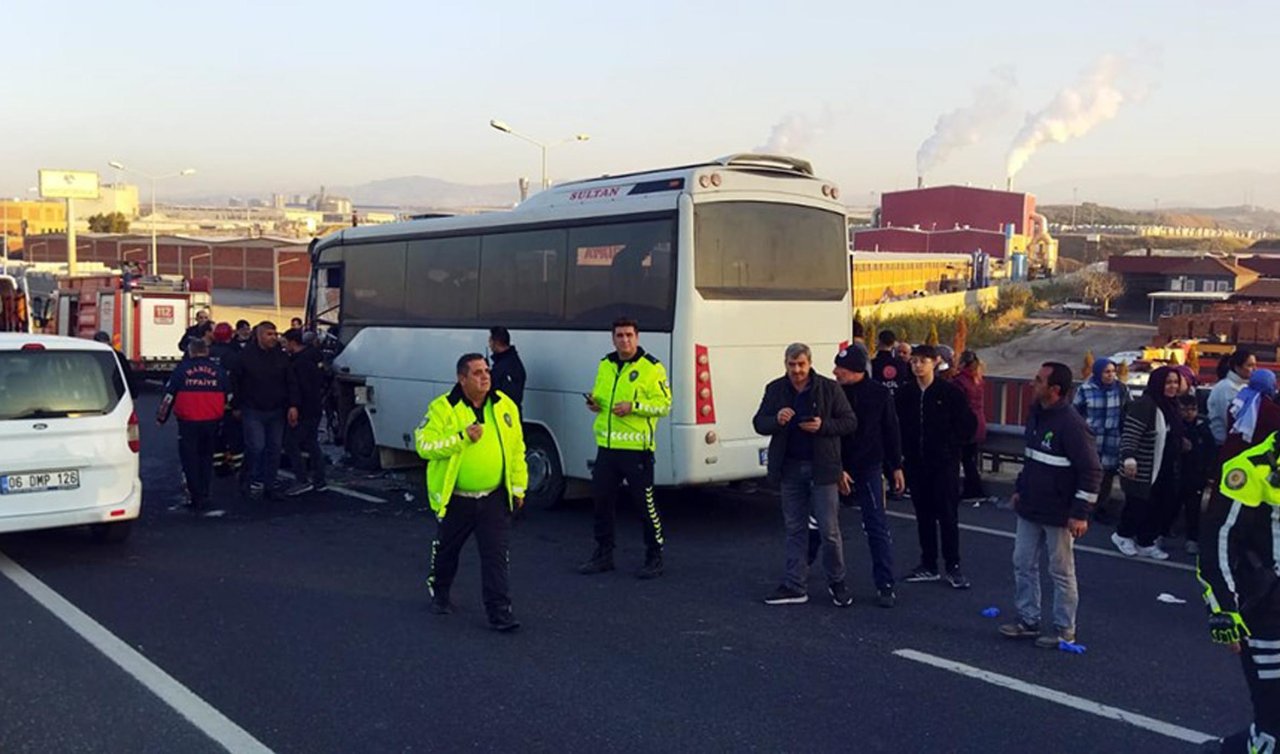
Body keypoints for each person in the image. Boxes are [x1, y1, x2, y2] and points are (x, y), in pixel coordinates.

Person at [415, 353, 527, 632]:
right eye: (477, 372)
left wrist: (517, 487)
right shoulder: (443, 407)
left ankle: (500, 612)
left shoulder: (504, 405)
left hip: (493, 498)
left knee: (496, 556)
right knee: (446, 552)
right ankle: (440, 593)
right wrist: (461, 438)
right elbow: (424, 446)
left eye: (486, 371)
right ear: (462, 379)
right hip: (457, 500)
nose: (485, 376)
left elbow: (516, 450)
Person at [999, 362, 1101, 649]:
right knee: (1022, 563)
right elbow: (1031, 459)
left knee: (1061, 572)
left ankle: (1063, 629)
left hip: (1059, 514)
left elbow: (1091, 471)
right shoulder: (1037, 415)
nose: (1033, 384)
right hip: (1030, 507)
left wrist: (1080, 514)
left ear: (1054, 390)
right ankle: (1028, 620)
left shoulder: (1071, 425)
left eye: (1038, 380)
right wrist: (1020, 490)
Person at [1199, 396, 1280, 752]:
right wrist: (1222, 609)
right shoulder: (1250, 469)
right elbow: (1217, 543)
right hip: (1268, 612)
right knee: (1274, 724)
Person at [753, 343, 857, 605]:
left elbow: (849, 422)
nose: (796, 370)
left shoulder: (828, 388)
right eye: (791, 365)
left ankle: (837, 582)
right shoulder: (776, 389)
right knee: (794, 529)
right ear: (785, 364)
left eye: (801, 364)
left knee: (829, 530)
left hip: (823, 469)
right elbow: (759, 423)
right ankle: (794, 584)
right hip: (789, 468)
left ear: (809, 363)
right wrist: (776, 419)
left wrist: (823, 426)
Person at [578, 318, 672, 580]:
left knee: (645, 505)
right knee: (601, 502)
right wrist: (595, 403)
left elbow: (664, 405)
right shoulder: (605, 365)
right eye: (619, 335)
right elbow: (600, 395)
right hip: (607, 448)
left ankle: (654, 556)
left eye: (629, 335)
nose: (624, 340)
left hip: (636, 450)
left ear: (637, 337)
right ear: (613, 338)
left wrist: (634, 407)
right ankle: (603, 554)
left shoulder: (652, 368)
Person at [895, 344, 978, 588]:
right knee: (924, 515)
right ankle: (928, 563)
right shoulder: (905, 394)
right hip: (916, 464)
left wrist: (950, 447)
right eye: (914, 361)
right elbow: (897, 425)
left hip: (944, 465)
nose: (918, 366)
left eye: (923, 361)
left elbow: (967, 425)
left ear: (935, 362)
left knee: (948, 515)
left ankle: (953, 565)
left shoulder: (949, 393)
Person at [830, 345, 903, 607]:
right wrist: (837, 468)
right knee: (823, 525)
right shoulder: (832, 393)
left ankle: (885, 584)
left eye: (842, 369)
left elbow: (890, 429)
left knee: (876, 525)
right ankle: (800, 575)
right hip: (837, 467)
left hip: (869, 465)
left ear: (857, 370)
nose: (836, 372)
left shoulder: (879, 394)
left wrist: (895, 466)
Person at [1112, 366, 1183, 560]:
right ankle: (1122, 535)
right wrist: (1129, 458)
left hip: (1165, 466)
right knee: (1137, 504)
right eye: (1168, 382)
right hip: (1144, 465)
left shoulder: (1172, 406)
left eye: (1176, 382)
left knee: (1158, 505)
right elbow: (1131, 433)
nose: (1172, 386)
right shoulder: (1145, 405)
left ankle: (1146, 541)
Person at [156, 339, 230, 516]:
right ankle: (204, 492)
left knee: (190, 459)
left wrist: (161, 418)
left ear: (190, 351)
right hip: (212, 420)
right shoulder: (218, 371)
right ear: (206, 351)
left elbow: (168, 396)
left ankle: (195, 495)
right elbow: (229, 395)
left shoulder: (181, 371)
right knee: (206, 458)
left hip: (188, 422)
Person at [231, 321, 299, 500]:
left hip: (276, 409)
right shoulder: (245, 356)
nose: (274, 338)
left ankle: (269, 486)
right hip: (252, 408)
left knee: (275, 449)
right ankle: (246, 479)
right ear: (260, 335)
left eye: (275, 334)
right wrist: (236, 405)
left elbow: (290, 381)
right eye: (269, 334)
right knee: (256, 447)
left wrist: (293, 405)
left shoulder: (281, 357)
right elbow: (236, 382)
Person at [1071, 357, 1131, 524]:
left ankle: (1100, 508)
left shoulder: (1121, 389)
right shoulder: (1086, 389)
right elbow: (1075, 413)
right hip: (1091, 440)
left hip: (1112, 439)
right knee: (1089, 474)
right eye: (1106, 372)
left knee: (1107, 477)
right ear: (1098, 373)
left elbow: (1128, 410)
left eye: (1113, 372)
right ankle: (1083, 507)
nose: (1110, 375)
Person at [282, 328, 328, 496]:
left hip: (303, 409)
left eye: (285, 343)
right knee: (311, 443)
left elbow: (298, 388)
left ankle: (302, 479)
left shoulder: (298, 363)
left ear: (293, 343)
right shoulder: (314, 358)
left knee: (291, 443)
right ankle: (320, 479)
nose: (284, 347)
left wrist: (295, 407)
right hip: (315, 407)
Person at [1170, 393, 1214, 555]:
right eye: (1184, 409)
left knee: (1193, 508)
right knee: (1171, 504)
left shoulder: (1202, 427)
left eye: (1192, 409)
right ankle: (1163, 530)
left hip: (1196, 474)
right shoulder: (1174, 426)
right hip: (1177, 473)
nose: (1189, 413)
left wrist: (1209, 471)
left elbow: (1210, 450)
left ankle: (1192, 539)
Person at [953, 351, 993, 504]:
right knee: (969, 459)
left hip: (966, 424)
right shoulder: (977, 379)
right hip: (979, 422)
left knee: (961, 458)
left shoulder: (960, 381)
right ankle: (974, 489)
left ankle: (971, 489)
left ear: (962, 363)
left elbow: (957, 404)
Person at [208, 323, 244, 476]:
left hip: (209, 404)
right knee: (234, 435)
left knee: (216, 436)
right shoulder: (234, 355)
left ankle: (218, 465)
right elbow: (239, 381)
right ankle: (237, 467)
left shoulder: (207, 353)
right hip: (228, 403)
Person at [1208, 350, 1256, 446]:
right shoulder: (1225, 388)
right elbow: (1228, 419)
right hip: (1222, 442)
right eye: (1249, 365)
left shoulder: (1245, 386)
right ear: (1237, 367)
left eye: (1255, 365)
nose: (1254, 369)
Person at [488, 326, 527, 411]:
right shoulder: (511, 361)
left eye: (490, 341)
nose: (489, 345)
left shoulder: (504, 367)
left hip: (506, 415)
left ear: (496, 342)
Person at [93, 331, 136, 399]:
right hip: (116, 393)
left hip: (96, 394)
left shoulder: (90, 357)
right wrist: (133, 395)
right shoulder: (118, 356)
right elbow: (128, 376)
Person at [871, 330, 910, 397]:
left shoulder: (873, 363)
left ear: (879, 342)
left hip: (878, 398)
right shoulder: (902, 364)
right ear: (893, 344)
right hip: (898, 400)